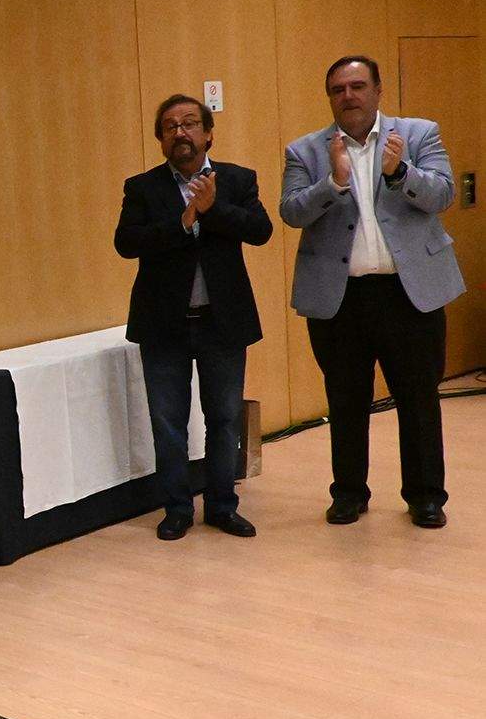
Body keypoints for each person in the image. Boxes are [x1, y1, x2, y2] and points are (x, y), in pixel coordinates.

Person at [281, 56, 463, 529]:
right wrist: (334, 181)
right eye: (339, 89)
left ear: (378, 91)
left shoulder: (419, 134)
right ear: (330, 98)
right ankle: (348, 494)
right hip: (340, 300)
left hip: (409, 294)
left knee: (418, 398)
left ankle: (425, 497)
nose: (349, 96)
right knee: (345, 399)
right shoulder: (306, 150)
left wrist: (400, 173)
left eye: (358, 86)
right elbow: (291, 212)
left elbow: (444, 194)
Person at [115, 94, 273, 541]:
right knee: (168, 423)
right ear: (161, 140)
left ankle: (223, 506)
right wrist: (183, 223)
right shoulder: (142, 187)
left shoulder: (238, 179)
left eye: (189, 124)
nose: (180, 132)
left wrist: (212, 209)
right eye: (170, 127)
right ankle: (178, 509)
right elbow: (126, 242)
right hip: (164, 324)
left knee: (224, 418)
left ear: (207, 134)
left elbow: (260, 231)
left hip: (222, 323)